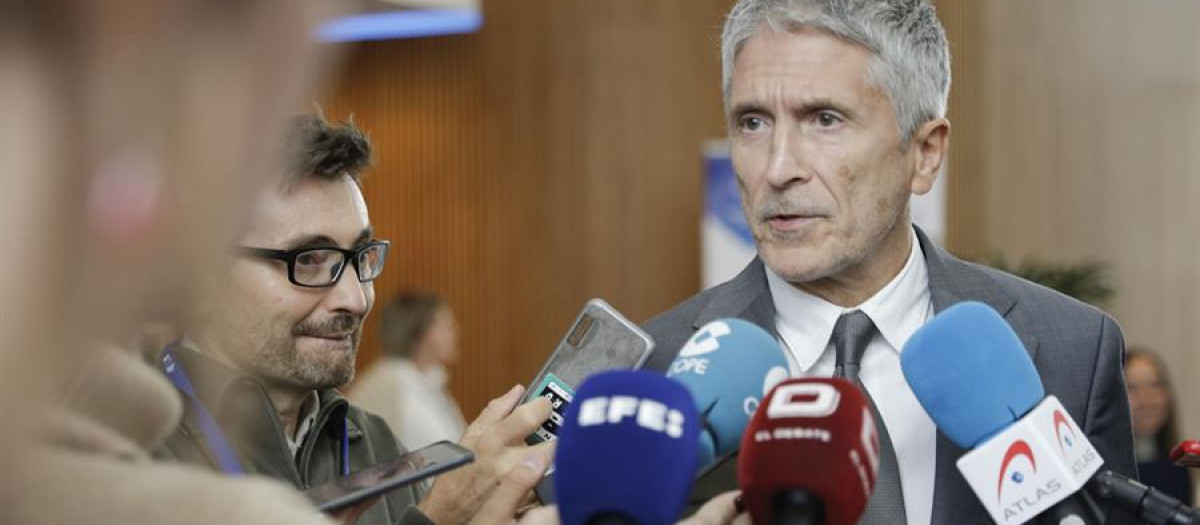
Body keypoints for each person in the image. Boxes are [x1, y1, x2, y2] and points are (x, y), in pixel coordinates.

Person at [641, 1, 1137, 524]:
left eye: (824, 119)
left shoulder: (1073, 350)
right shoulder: (656, 372)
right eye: (753, 122)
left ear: (924, 153)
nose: (778, 167)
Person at [153, 112, 553, 525]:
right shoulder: (124, 450)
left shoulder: (376, 443)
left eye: (359, 257)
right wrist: (436, 520)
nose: (356, 298)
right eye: (308, 260)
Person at [353, 291, 469, 450]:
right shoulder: (397, 383)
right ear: (420, 334)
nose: (456, 331)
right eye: (446, 326)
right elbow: (447, 454)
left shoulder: (423, 376)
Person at [1126, 348, 1194, 504]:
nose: (1147, 399)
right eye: (1132, 387)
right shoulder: (1104, 476)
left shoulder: (1179, 468)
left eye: (1155, 385)